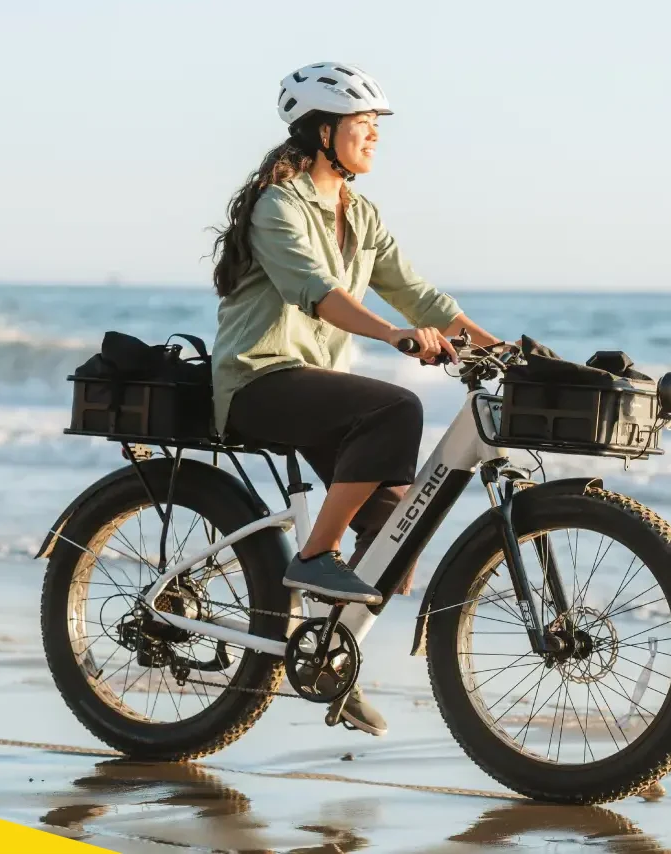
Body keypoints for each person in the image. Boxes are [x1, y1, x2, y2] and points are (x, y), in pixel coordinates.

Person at [208, 62, 504, 736]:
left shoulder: (359, 213)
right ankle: (313, 559)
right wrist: (394, 335)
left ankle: (328, 665)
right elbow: (319, 292)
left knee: (397, 541)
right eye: (364, 125)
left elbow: (419, 295)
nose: (374, 137)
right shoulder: (277, 206)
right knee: (395, 407)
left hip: (315, 390)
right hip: (259, 381)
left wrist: (496, 346)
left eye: (376, 127)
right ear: (322, 130)